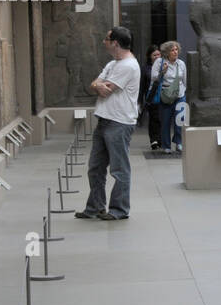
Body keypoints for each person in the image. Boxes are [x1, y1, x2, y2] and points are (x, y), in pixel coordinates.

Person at [77, 26, 140, 221]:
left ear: (115, 43)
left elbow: (106, 89)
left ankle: (119, 209)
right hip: (105, 120)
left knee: (119, 169)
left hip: (119, 122)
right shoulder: (113, 63)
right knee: (95, 167)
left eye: (107, 39)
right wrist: (97, 84)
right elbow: (95, 84)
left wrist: (98, 85)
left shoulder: (128, 65)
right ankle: (95, 207)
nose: (103, 41)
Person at [151, 40, 187, 154]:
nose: (175, 52)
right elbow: (154, 78)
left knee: (180, 121)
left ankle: (179, 142)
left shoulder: (181, 63)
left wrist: (183, 91)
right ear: (167, 52)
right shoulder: (159, 62)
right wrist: (163, 72)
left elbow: (185, 80)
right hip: (165, 96)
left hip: (180, 95)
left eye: (176, 49)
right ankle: (166, 145)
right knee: (165, 121)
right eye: (172, 50)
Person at [139, 43, 161, 150]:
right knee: (153, 119)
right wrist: (140, 100)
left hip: (163, 96)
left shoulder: (164, 66)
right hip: (151, 97)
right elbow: (142, 85)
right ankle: (154, 140)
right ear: (149, 56)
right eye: (154, 55)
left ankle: (161, 139)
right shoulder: (145, 69)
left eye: (158, 55)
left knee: (162, 119)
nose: (157, 57)